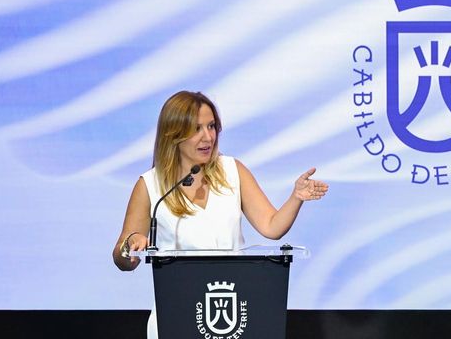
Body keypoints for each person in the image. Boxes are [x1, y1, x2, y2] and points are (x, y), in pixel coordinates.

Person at [112, 90, 328, 336]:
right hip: (175, 319)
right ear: (173, 135)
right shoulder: (151, 186)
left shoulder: (232, 171)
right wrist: (130, 245)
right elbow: (121, 255)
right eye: (197, 129)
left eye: (212, 126)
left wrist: (295, 198)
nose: (208, 137)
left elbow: (272, 226)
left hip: (232, 318)